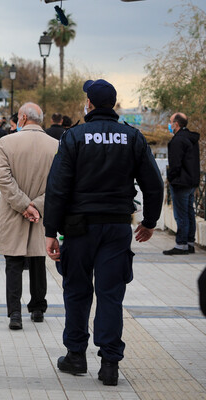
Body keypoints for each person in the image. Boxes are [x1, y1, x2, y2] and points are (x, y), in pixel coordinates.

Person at [44, 79, 163, 386]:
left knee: (77, 291)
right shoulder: (133, 137)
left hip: (78, 227)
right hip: (116, 226)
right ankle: (109, 363)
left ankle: (76, 355)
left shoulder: (74, 137)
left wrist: (50, 231)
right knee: (111, 294)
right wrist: (149, 221)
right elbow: (153, 184)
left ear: (91, 104)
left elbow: (57, 188)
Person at [0, 102, 57, 330]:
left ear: (21, 117)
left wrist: (22, 205)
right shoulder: (55, 145)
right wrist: (37, 205)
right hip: (41, 212)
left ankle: (15, 313)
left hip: (13, 210)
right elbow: (57, 183)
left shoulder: (7, 142)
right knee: (39, 258)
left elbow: (3, 178)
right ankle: (38, 307)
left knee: (13, 262)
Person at [163, 112, 200, 255]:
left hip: (181, 183)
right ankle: (190, 243)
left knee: (181, 215)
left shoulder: (177, 141)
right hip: (191, 182)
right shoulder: (191, 139)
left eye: (170, 121)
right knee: (190, 213)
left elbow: (175, 164)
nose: (169, 124)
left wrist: (171, 178)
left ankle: (181, 244)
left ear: (176, 124)